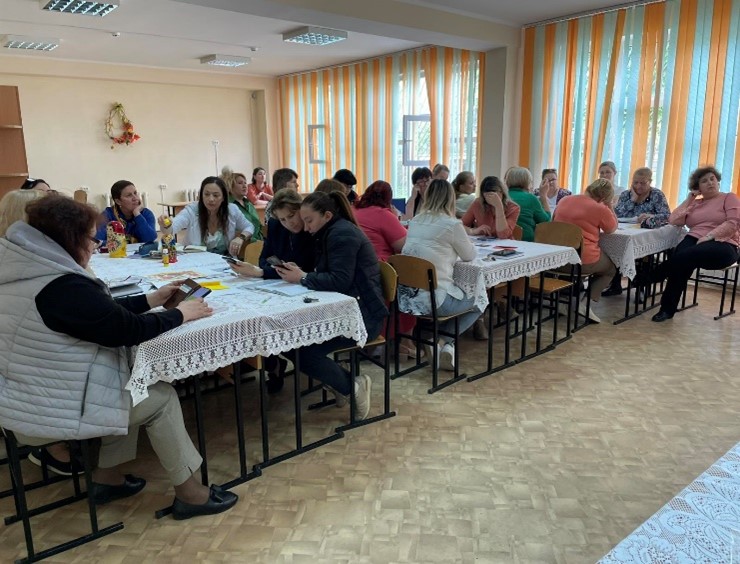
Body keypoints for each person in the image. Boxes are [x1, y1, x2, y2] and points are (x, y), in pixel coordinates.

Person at [0, 196, 238, 519]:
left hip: (20, 401)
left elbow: (97, 315)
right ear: (68, 239)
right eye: (90, 238)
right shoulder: (61, 285)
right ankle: (191, 493)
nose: (94, 245)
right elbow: (126, 330)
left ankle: (108, 478)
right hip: (50, 411)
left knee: (126, 382)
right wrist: (181, 314)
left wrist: (151, 299)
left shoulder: (24, 269)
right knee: (160, 397)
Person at [273, 191, 387, 420]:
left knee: (302, 351)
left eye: (309, 221)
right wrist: (304, 274)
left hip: (364, 318)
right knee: (288, 342)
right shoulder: (329, 232)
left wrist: (303, 277)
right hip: (346, 309)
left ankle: (351, 386)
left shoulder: (342, 234)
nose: (306, 228)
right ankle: (342, 384)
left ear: (326, 215)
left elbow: (339, 280)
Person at [229, 188, 315, 393]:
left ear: (301, 210)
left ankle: (274, 362)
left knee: (268, 322)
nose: (289, 223)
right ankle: (270, 362)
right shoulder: (276, 226)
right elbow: (264, 257)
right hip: (279, 285)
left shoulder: (311, 229)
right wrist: (272, 269)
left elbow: (307, 267)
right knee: (253, 317)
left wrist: (265, 272)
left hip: (304, 290)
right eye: (283, 219)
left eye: (291, 216)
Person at [400, 180, 482, 370]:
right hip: (435, 301)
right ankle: (442, 341)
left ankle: (445, 345)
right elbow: (469, 255)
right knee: (480, 300)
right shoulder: (451, 224)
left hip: (407, 299)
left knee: (459, 292)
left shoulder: (415, 220)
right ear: (451, 198)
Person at [649, 166, 740, 322]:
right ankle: (666, 310)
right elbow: (673, 220)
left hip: (724, 243)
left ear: (718, 181)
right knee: (681, 262)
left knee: (684, 256)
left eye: (712, 179)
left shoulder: (729, 197)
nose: (710, 182)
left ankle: (655, 274)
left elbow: (733, 223)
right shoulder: (695, 204)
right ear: (698, 187)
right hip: (694, 239)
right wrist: (689, 199)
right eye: (704, 181)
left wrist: (710, 236)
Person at [353, 181, 417, 358]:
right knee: (410, 289)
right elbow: (403, 246)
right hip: (380, 270)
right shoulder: (383, 214)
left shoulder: (355, 211)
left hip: (358, 270)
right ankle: (405, 341)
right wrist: (395, 218)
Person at [553, 178, 618, 323]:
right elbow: (611, 229)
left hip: (558, 258)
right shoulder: (600, 208)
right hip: (582, 260)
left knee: (573, 267)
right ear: (603, 198)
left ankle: (563, 301)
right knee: (611, 269)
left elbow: (553, 223)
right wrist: (609, 206)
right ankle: (585, 303)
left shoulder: (564, 200)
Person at [601, 167, 672, 296]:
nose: (638, 186)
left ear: (650, 182)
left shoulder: (656, 195)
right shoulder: (626, 195)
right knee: (615, 246)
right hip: (626, 231)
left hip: (646, 233)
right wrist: (632, 200)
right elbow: (616, 214)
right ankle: (615, 284)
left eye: (643, 183)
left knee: (643, 254)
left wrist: (651, 216)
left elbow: (667, 215)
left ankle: (641, 287)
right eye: (635, 182)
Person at [158, 176, 253, 256]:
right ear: (201, 195)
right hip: (195, 261)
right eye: (206, 194)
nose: (210, 199)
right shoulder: (192, 210)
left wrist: (241, 238)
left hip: (224, 261)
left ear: (223, 197)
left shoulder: (232, 210)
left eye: (216, 195)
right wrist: (166, 225)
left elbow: (249, 226)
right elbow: (171, 230)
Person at [505, 166, 551, 241]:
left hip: (503, 239)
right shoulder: (531, 198)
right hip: (525, 241)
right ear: (527, 182)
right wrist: (543, 196)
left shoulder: (501, 196)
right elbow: (546, 222)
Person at [222, 168, 263, 241]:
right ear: (230, 186)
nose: (245, 186)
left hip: (260, 242)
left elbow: (258, 226)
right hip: (243, 244)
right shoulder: (228, 206)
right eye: (240, 183)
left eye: (245, 183)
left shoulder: (248, 203)